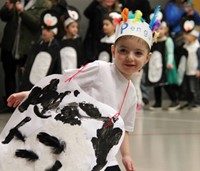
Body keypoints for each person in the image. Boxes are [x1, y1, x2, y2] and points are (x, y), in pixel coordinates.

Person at [5, 7, 161, 171]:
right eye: (123, 50)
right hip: (76, 146)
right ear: (113, 50)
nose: (130, 57)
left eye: (138, 53)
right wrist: (31, 94)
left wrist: (126, 155)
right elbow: (62, 83)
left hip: (103, 154)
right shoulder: (100, 69)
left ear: (147, 58)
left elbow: (123, 129)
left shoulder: (131, 93)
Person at [18, 10, 61, 91]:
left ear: (54, 33)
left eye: (48, 30)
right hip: (29, 84)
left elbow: (57, 69)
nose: (44, 32)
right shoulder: (36, 45)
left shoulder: (56, 48)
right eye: (44, 29)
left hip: (44, 88)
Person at [147, 11, 180, 111]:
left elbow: (170, 52)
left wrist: (169, 62)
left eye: (161, 29)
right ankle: (158, 102)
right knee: (156, 84)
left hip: (165, 65)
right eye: (156, 29)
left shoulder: (168, 40)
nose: (158, 31)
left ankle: (175, 100)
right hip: (156, 66)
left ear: (166, 30)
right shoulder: (153, 41)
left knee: (166, 84)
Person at [179, 16, 200, 109]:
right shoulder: (185, 46)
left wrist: (199, 69)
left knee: (194, 88)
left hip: (194, 71)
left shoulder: (197, 47)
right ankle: (190, 101)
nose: (185, 36)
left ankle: (196, 102)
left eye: (187, 35)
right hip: (187, 70)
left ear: (194, 36)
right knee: (187, 88)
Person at [59, 5, 84, 71]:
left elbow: (80, 58)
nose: (75, 29)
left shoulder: (78, 41)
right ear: (66, 28)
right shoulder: (61, 41)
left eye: (76, 27)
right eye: (73, 27)